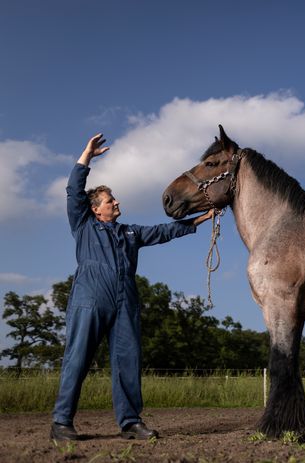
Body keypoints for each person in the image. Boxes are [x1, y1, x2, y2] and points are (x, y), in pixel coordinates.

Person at [51, 134, 214, 441]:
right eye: (111, 200)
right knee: (78, 358)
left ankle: (129, 422)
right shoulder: (84, 225)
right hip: (90, 299)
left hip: (126, 302)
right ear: (97, 209)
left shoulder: (130, 232)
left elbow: (164, 231)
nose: (117, 202)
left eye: (115, 199)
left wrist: (202, 217)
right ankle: (61, 422)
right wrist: (86, 156)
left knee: (128, 360)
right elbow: (74, 191)